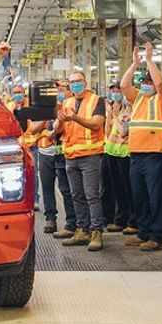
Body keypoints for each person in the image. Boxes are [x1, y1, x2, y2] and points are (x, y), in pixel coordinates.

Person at [120, 43, 162, 251]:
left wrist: (150, 61)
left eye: (147, 81)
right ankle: (143, 232)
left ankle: (157, 236)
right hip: (136, 155)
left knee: (155, 196)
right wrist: (134, 64)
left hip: (154, 156)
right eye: (143, 82)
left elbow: (160, 85)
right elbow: (124, 85)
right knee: (139, 195)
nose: (145, 84)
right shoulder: (139, 98)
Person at [56, 69, 106, 251]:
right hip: (71, 156)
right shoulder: (67, 102)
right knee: (76, 195)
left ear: (85, 82)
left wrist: (75, 117)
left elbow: (96, 124)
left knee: (92, 195)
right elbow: (57, 130)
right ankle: (82, 229)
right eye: (72, 82)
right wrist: (60, 120)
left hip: (90, 155)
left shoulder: (96, 100)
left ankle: (96, 232)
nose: (75, 84)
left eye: (78, 81)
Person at [32, 81, 78, 238]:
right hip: (45, 153)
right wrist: (48, 117)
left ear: (68, 92)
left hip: (62, 153)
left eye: (62, 89)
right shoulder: (42, 108)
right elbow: (32, 129)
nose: (58, 92)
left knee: (66, 189)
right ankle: (50, 219)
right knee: (47, 188)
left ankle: (72, 221)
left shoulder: (69, 108)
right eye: (56, 90)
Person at [101, 82, 132, 234]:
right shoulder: (121, 111)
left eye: (118, 91)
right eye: (112, 90)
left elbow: (123, 131)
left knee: (126, 189)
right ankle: (117, 218)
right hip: (112, 152)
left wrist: (113, 113)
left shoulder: (131, 112)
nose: (115, 94)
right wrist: (111, 114)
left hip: (124, 154)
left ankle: (126, 219)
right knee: (116, 189)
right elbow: (108, 131)